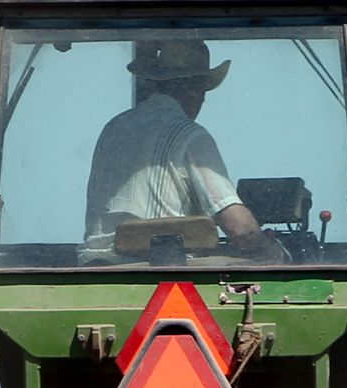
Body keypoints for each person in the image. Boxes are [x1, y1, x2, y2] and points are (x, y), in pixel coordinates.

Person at [82, 39, 278, 262]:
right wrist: (272, 249)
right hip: (161, 267)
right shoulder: (190, 134)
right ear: (196, 90)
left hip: (95, 267)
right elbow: (241, 230)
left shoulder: (113, 128)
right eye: (203, 92)